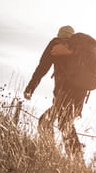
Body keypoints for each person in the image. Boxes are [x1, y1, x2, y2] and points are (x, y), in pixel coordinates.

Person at [23, 25, 85, 157]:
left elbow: (42, 68)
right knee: (65, 125)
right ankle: (76, 160)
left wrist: (30, 88)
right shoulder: (80, 50)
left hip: (64, 94)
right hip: (80, 96)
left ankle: (50, 154)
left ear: (59, 34)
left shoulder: (56, 44)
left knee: (45, 122)